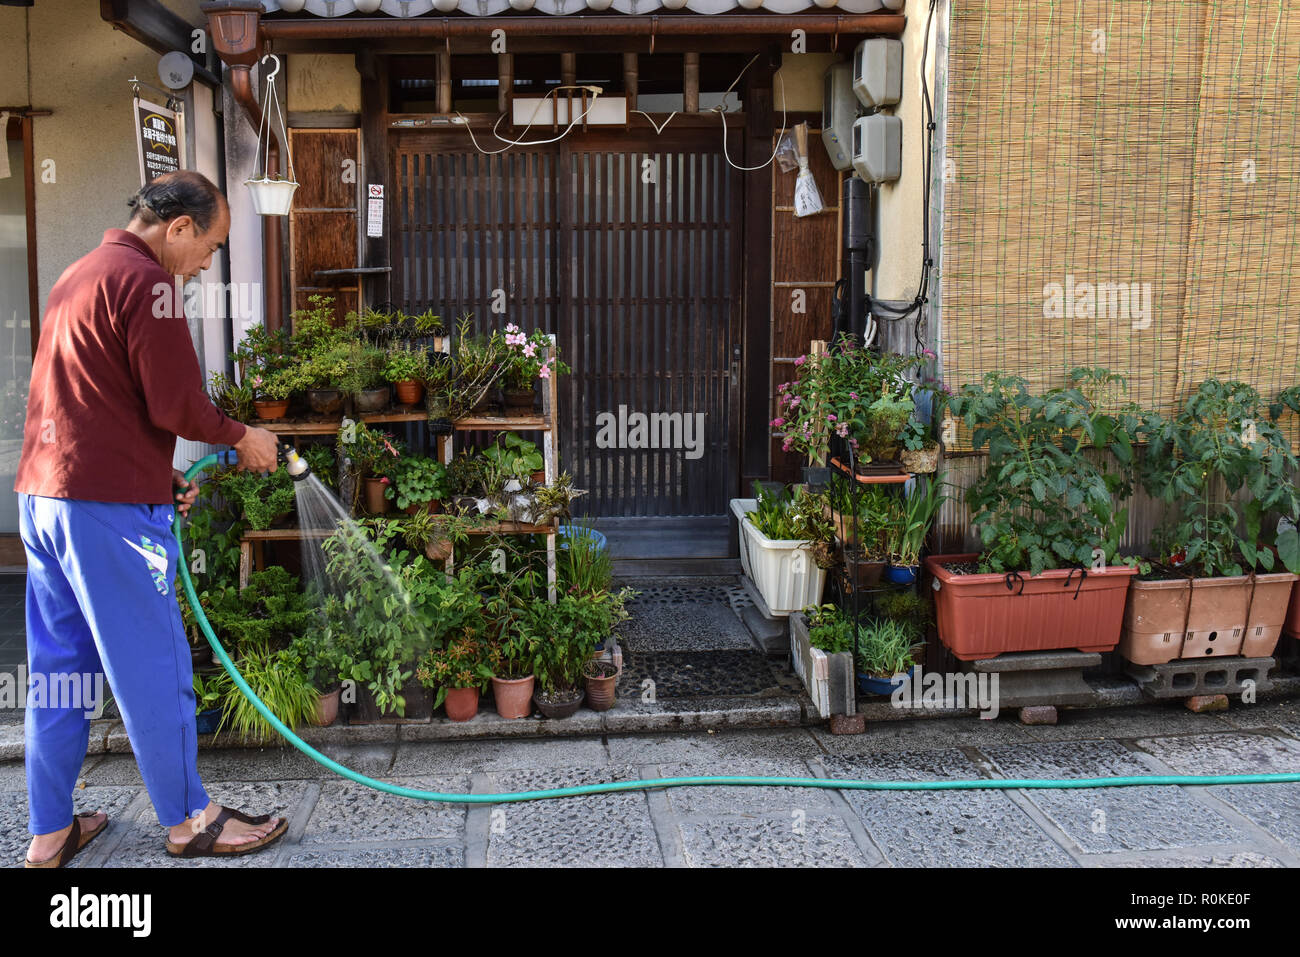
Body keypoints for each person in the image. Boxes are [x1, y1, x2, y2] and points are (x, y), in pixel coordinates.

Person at [15, 170, 286, 866]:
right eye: (211, 247)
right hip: (106, 515)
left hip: (44, 501)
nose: (205, 264)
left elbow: (87, 397)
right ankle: (192, 820)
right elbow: (177, 404)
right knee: (154, 667)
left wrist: (149, 470)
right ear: (179, 227)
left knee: (59, 672)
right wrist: (243, 436)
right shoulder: (149, 284)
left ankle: (49, 832)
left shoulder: (78, 274)